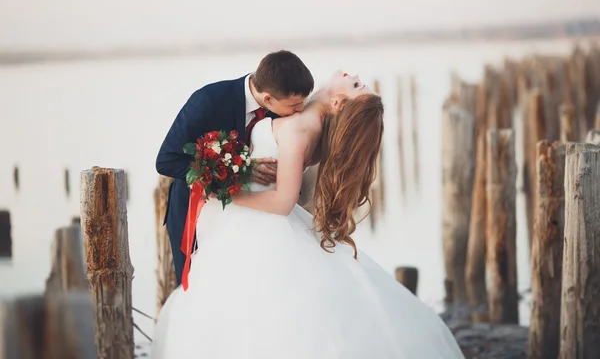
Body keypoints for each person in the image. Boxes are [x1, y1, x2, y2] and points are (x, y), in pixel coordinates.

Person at [151, 71, 465, 358]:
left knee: (247, 309)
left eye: (356, 85)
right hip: (239, 221)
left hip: (256, 221)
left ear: (339, 103)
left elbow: (284, 202)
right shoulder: (297, 111)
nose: (352, 75)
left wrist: (227, 195)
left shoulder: (300, 128)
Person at [155, 50, 314, 285]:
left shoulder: (282, 107)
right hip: (198, 216)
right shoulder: (209, 100)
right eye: (295, 105)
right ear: (268, 98)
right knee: (200, 290)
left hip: (258, 222)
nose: (300, 110)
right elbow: (166, 160)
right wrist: (237, 169)